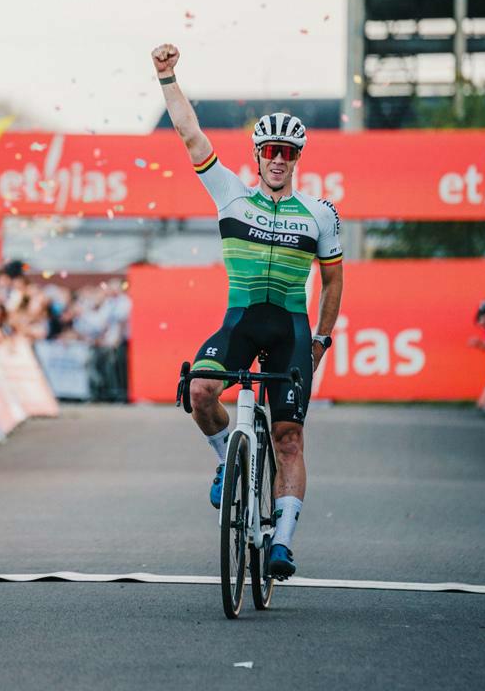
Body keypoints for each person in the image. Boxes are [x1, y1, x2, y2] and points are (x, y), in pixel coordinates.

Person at [153, 42, 344, 581]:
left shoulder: (320, 214)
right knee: (200, 391)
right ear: (258, 156)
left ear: (297, 159)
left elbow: (332, 282)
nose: (279, 160)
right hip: (239, 321)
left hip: (290, 330)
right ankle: (224, 460)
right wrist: (167, 77)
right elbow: (192, 135)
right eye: (271, 151)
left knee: (288, 437)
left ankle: (281, 541)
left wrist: (321, 340)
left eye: (288, 152)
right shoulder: (231, 196)